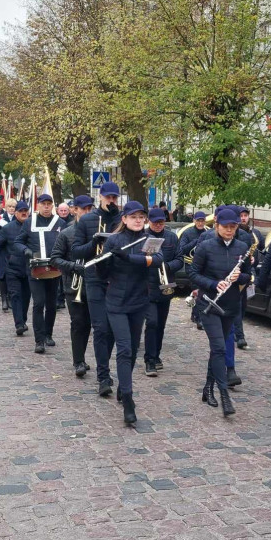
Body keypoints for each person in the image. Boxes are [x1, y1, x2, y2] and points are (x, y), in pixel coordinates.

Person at [99, 200, 164, 425]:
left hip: (139, 302)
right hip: (116, 302)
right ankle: (128, 399)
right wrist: (102, 259)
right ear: (124, 219)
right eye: (133, 216)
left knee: (134, 348)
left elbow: (156, 260)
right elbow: (101, 273)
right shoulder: (114, 240)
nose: (138, 220)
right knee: (124, 349)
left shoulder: (150, 239)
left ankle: (122, 385)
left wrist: (129, 258)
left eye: (141, 217)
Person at [190, 207, 251, 416]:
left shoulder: (243, 246)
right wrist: (214, 284)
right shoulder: (205, 246)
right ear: (217, 226)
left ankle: (208, 388)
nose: (229, 230)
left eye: (233, 227)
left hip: (230, 305)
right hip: (208, 304)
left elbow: (248, 276)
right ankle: (224, 394)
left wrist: (239, 277)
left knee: (218, 350)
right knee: (219, 348)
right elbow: (194, 274)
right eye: (225, 226)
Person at [71, 182, 122, 398]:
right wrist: (94, 243)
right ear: (100, 197)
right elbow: (75, 251)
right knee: (100, 328)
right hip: (94, 279)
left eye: (114, 198)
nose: (111, 201)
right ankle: (103, 376)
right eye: (107, 197)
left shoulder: (123, 220)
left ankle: (105, 366)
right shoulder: (87, 220)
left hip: (118, 281)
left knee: (111, 330)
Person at [14, 193, 66, 353]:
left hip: (54, 269)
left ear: (53, 206)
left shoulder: (61, 223)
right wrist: (26, 250)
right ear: (38, 206)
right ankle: (39, 340)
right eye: (43, 204)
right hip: (35, 269)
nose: (46, 207)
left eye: (49, 204)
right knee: (38, 303)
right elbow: (18, 242)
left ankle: (48, 334)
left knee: (51, 304)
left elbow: (67, 243)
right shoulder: (29, 222)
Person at [51, 196, 93, 376]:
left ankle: (81, 356)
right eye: (84, 209)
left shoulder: (96, 233)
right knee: (78, 322)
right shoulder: (66, 233)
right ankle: (78, 361)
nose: (87, 212)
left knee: (89, 323)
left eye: (90, 209)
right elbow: (55, 258)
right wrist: (73, 266)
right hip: (73, 285)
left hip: (93, 285)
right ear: (75, 210)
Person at [142, 207, 182, 376]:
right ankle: (149, 360)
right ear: (149, 222)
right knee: (151, 323)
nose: (158, 225)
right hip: (147, 286)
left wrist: (167, 266)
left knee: (161, 325)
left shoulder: (172, 237)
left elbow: (180, 259)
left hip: (165, 286)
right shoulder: (143, 236)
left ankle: (156, 355)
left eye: (161, 222)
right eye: (155, 222)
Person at [0, 199, 31, 335]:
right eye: (21, 211)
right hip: (12, 267)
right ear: (16, 213)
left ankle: (23, 319)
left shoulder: (33, 227)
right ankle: (19, 323)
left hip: (29, 268)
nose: (24, 213)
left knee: (26, 297)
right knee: (15, 295)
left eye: (26, 211)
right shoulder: (8, 228)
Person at [235, 206, 261, 350]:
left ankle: (236, 331)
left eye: (245, 215)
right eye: (241, 215)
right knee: (237, 306)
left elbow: (259, 253)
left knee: (243, 305)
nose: (243, 218)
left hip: (246, 274)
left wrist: (253, 261)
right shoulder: (235, 233)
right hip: (232, 274)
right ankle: (240, 336)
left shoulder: (254, 234)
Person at [178, 211, 208, 330]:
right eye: (198, 220)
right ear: (194, 221)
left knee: (201, 290)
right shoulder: (188, 233)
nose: (200, 223)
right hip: (191, 264)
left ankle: (195, 314)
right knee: (196, 289)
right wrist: (196, 241)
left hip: (204, 265)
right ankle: (198, 316)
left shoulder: (207, 232)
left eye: (202, 220)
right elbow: (182, 249)